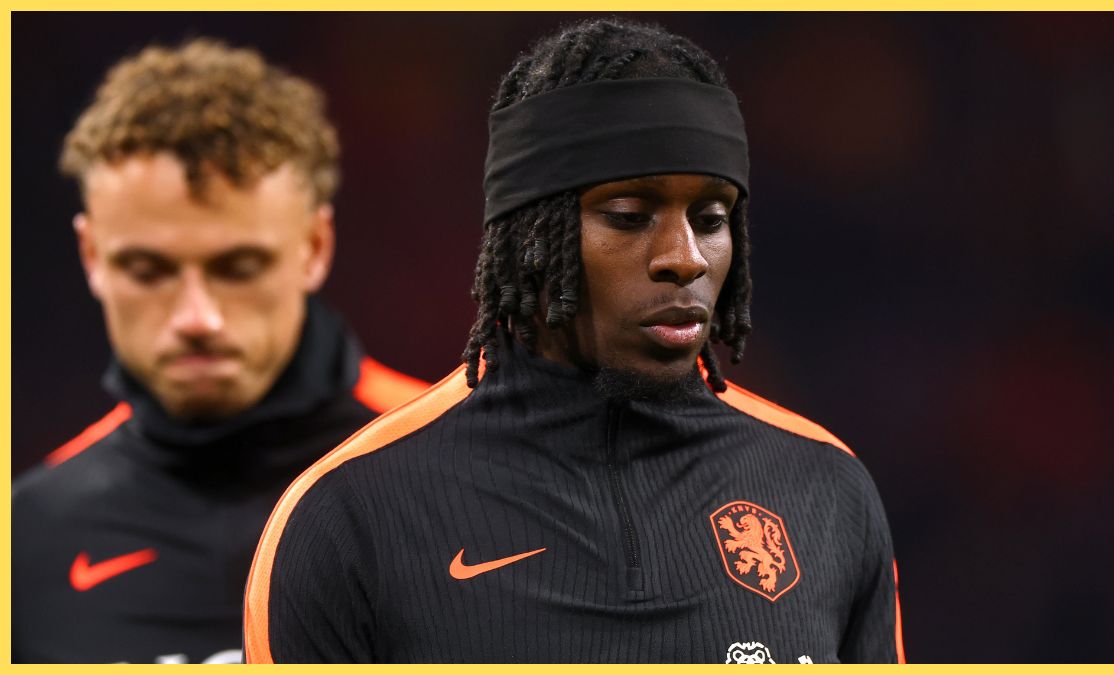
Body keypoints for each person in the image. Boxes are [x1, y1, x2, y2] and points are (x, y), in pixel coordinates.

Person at [244, 19, 904, 664]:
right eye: (629, 216)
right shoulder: (349, 516)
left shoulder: (826, 490)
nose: (684, 257)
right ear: (530, 235)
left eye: (710, 219)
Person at [12, 39, 428, 663]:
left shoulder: (468, 470)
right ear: (91, 255)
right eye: (148, 270)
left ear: (315, 246)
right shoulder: (26, 536)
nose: (197, 319)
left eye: (239, 267)